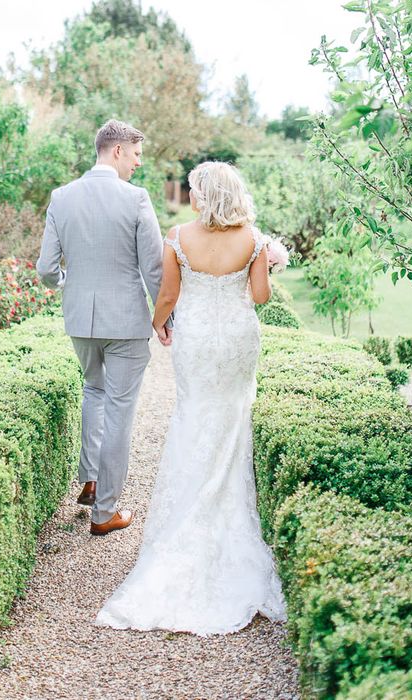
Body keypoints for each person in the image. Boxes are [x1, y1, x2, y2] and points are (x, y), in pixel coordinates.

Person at [94, 161, 287, 635]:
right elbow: (260, 297)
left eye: (196, 188)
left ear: (207, 194)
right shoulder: (253, 239)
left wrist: (159, 322)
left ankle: (187, 523)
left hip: (197, 341)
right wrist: (269, 260)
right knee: (233, 420)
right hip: (239, 340)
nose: (191, 194)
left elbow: (168, 294)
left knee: (193, 416)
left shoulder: (179, 235)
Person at [36, 119, 165, 536]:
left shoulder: (61, 197)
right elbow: (154, 269)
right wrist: (165, 319)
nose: (138, 163)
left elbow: (45, 270)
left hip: (79, 319)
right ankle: (104, 511)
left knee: (94, 391)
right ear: (116, 151)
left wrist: (69, 285)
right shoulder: (137, 200)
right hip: (125, 322)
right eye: (135, 154)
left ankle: (90, 480)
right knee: (120, 411)